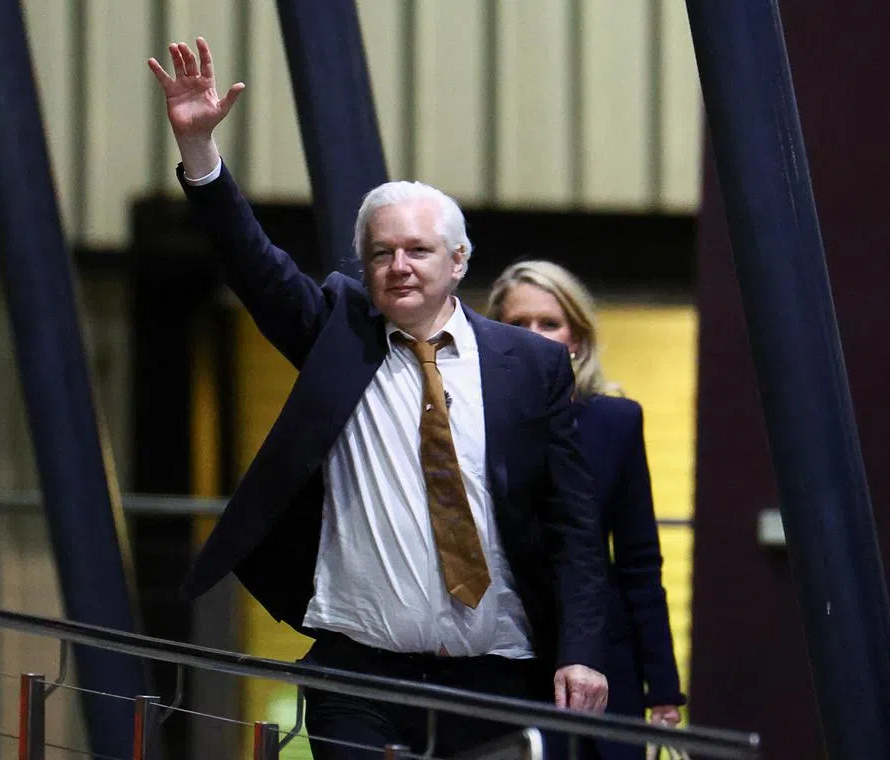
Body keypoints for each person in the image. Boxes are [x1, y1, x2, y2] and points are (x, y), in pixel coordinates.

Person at [148, 38, 609, 758]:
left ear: (458, 262)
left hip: (496, 678)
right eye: (381, 253)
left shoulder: (530, 365)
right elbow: (254, 265)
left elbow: (575, 526)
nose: (398, 267)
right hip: (358, 673)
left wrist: (581, 648)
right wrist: (200, 152)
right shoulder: (340, 334)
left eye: (418, 251)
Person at [487, 261, 687, 760]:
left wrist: (662, 688)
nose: (534, 337)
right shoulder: (472, 422)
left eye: (548, 323)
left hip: (604, 659)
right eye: (517, 325)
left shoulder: (615, 421)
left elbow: (639, 564)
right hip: (505, 657)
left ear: (576, 336)